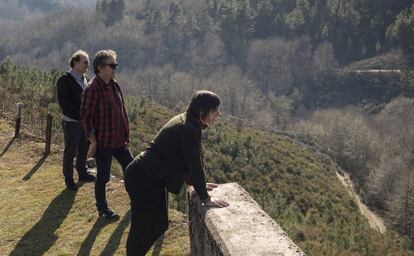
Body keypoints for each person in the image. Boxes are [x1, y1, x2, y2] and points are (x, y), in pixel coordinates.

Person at [124, 90, 229, 255]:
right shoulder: (188, 128)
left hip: (150, 178)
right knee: (142, 228)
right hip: (143, 178)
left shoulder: (189, 121)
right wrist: (205, 198)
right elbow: (194, 165)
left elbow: (183, 158)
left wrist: (197, 184)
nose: (218, 114)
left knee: (159, 224)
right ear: (203, 111)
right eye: (215, 110)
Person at [81, 49, 133, 220]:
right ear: (100, 67)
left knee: (132, 169)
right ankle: (102, 210)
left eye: (115, 65)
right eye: (112, 65)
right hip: (104, 142)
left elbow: (122, 112)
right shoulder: (92, 89)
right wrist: (93, 141)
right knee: (103, 176)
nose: (115, 68)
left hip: (119, 141)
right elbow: (86, 118)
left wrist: (126, 135)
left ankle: (136, 201)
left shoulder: (114, 84)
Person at [57, 50, 95, 191]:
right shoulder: (64, 80)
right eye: (85, 62)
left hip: (84, 123)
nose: (87, 65)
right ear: (75, 62)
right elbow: (64, 103)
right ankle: (69, 179)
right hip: (72, 122)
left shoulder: (86, 79)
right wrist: (81, 116)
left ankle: (82, 173)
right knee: (70, 151)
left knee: (83, 149)